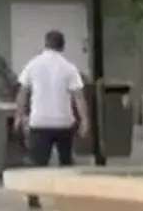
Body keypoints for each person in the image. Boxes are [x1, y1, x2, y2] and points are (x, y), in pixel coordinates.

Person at [16, 31, 89, 172]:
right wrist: (85, 120)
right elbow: (79, 97)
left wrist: (19, 116)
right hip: (64, 123)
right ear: (63, 46)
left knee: (38, 165)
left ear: (45, 44)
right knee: (66, 163)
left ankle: (38, 185)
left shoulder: (32, 65)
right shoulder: (69, 67)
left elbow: (22, 93)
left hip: (39, 122)